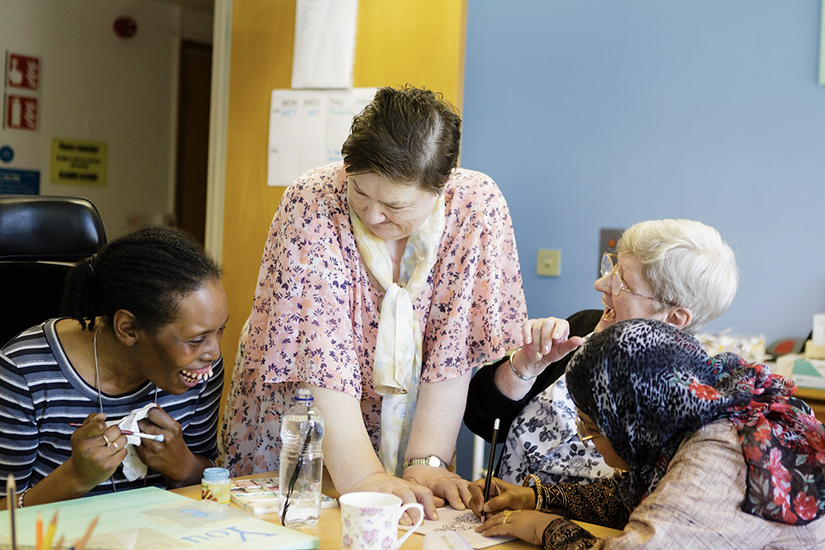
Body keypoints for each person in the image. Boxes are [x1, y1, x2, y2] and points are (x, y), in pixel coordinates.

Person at [220, 85, 527, 520]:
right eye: (361, 193)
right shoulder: (312, 202)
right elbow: (320, 360)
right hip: (306, 423)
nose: (373, 214)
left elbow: (452, 349)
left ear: (442, 185)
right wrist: (365, 480)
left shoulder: (476, 207)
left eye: (394, 204)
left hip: (415, 421)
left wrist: (426, 463)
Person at [469, 318, 825, 549]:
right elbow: (638, 497)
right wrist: (536, 498)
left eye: (592, 428)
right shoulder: (699, 413)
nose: (584, 438)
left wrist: (542, 528)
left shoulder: (720, 454)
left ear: (631, 426)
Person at [464, 219, 739, 487]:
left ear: (675, 318)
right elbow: (481, 420)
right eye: (612, 268)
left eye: (622, 282)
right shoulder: (582, 328)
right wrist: (526, 365)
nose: (601, 284)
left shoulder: (683, 401)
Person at [0, 226, 227, 509]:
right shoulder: (24, 371)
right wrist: (75, 477)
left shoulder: (201, 372)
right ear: (128, 329)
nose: (213, 352)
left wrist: (183, 464)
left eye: (220, 330)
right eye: (195, 340)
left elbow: (209, 477)